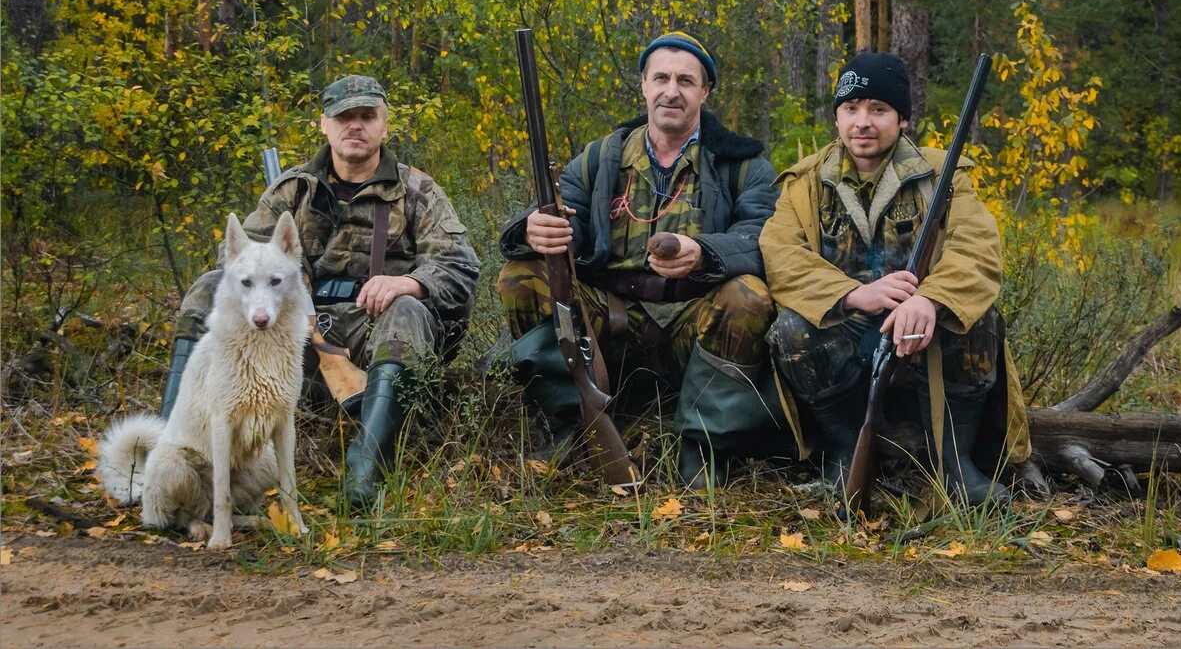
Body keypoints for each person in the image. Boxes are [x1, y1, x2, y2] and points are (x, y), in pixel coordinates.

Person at [162, 75, 481, 507]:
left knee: (406, 309)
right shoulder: (292, 189)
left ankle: (365, 478)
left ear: (385, 125)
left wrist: (406, 283)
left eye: (367, 116)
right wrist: (284, 284)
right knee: (206, 290)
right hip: (290, 338)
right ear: (323, 125)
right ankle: (169, 454)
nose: (356, 126)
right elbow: (235, 262)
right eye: (344, 117)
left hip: (376, 335)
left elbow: (460, 265)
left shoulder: (417, 191)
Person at [497, 31, 785, 488]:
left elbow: (764, 238)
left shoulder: (743, 164)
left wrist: (705, 253)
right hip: (610, 323)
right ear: (644, 86)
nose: (672, 90)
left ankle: (705, 446)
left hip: (694, 323)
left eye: (686, 81)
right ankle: (570, 424)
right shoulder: (599, 158)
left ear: (705, 91)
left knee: (748, 295)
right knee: (520, 277)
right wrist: (533, 228)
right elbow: (559, 211)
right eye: (662, 78)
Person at [760, 52, 1029, 505]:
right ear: (837, 116)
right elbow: (781, 255)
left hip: (925, 341)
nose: (862, 122)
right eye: (851, 108)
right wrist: (852, 294)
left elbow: (978, 250)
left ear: (902, 119)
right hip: (848, 343)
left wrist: (932, 299)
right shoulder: (804, 182)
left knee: (979, 317)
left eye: (878, 109)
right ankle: (846, 451)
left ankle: (955, 461)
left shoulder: (943, 173)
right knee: (790, 330)